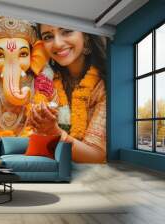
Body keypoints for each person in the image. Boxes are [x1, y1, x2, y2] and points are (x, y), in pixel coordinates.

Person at [30, 24, 107, 163]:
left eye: (66, 31)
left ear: (87, 36)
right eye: (48, 37)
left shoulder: (105, 86)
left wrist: (54, 133)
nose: (58, 44)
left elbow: (96, 156)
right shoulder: (45, 81)